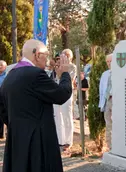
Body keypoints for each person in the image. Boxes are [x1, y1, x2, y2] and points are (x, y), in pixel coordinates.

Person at [0, 39, 72, 172]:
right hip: (38, 143)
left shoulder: (9, 76)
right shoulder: (35, 74)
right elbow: (62, 94)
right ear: (37, 55)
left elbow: (3, 110)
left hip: (16, 140)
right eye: (46, 55)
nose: (47, 60)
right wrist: (65, 74)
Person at [54, 49, 77, 151]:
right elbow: (54, 78)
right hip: (56, 91)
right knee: (58, 116)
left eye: (65, 55)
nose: (63, 56)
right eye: (62, 54)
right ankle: (60, 140)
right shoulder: (57, 65)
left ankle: (68, 141)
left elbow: (69, 79)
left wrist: (61, 72)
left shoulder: (72, 67)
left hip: (66, 93)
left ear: (69, 57)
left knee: (66, 116)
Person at [99, 54, 112, 151]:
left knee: (116, 124)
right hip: (106, 100)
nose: (108, 63)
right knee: (108, 124)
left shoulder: (120, 73)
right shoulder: (105, 74)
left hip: (115, 100)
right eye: (107, 62)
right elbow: (101, 90)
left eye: (110, 61)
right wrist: (101, 104)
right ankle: (109, 146)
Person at [0, 60, 7, 139]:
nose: (0, 67)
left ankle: (3, 133)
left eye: (1, 65)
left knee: (3, 114)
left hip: (3, 97)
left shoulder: (7, 76)